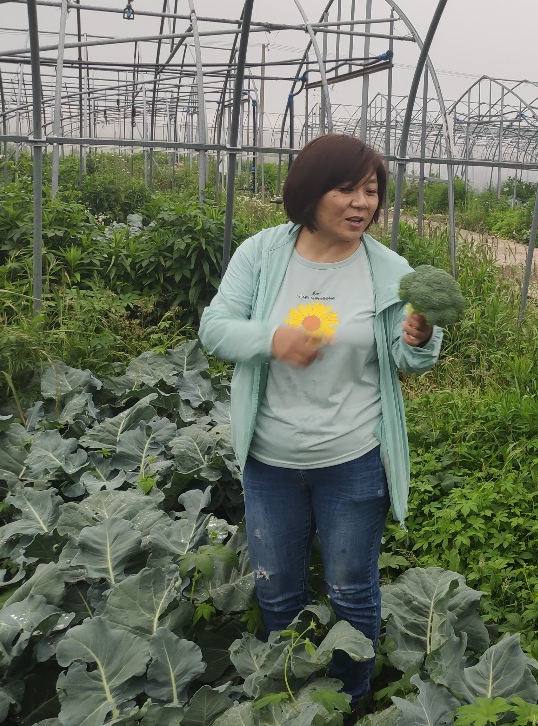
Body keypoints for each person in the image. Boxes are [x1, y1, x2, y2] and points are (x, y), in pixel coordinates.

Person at [199, 133, 443, 710]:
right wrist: (272, 339)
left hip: (353, 457)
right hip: (270, 458)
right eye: (346, 190)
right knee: (277, 589)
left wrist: (422, 337)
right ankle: (291, 699)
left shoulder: (389, 270)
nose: (362, 204)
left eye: (371, 191)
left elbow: (408, 360)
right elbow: (215, 328)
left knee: (352, 589)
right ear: (310, 192)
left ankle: (350, 703)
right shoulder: (263, 254)